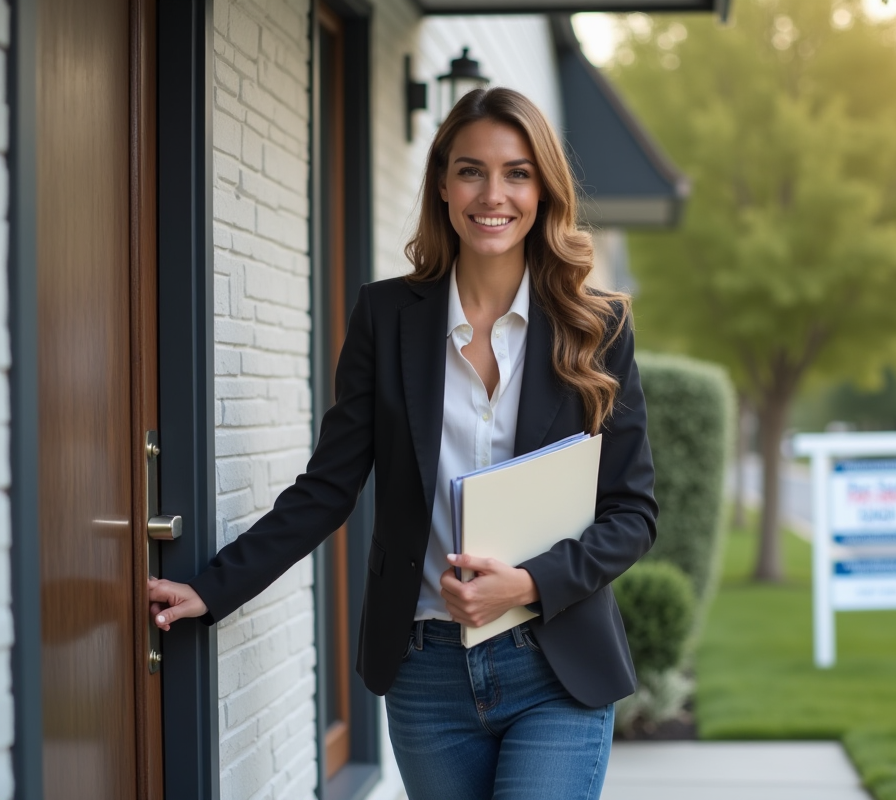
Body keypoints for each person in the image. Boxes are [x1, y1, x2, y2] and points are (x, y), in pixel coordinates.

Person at [148, 87, 657, 800]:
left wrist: (531, 584)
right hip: (427, 674)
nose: (494, 194)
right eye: (471, 170)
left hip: (556, 666)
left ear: (543, 190)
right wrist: (210, 587)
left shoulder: (595, 326)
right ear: (443, 186)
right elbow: (327, 488)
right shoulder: (385, 317)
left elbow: (633, 513)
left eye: (517, 173)